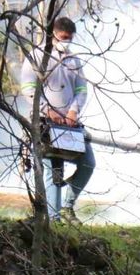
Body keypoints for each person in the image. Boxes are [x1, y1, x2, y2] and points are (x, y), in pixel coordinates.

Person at [19, 16, 94, 225]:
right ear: (53, 34)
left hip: (70, 125)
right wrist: (47, 110)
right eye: (63, 37)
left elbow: (81, 89)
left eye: (70, 38)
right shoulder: (37, 55)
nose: (66, 41)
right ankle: (54, 220)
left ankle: (68, 205)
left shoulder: (74, 60)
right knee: (54, 169)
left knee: (88, 163)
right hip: (45, 123)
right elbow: (28, 88)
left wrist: (73, 111)